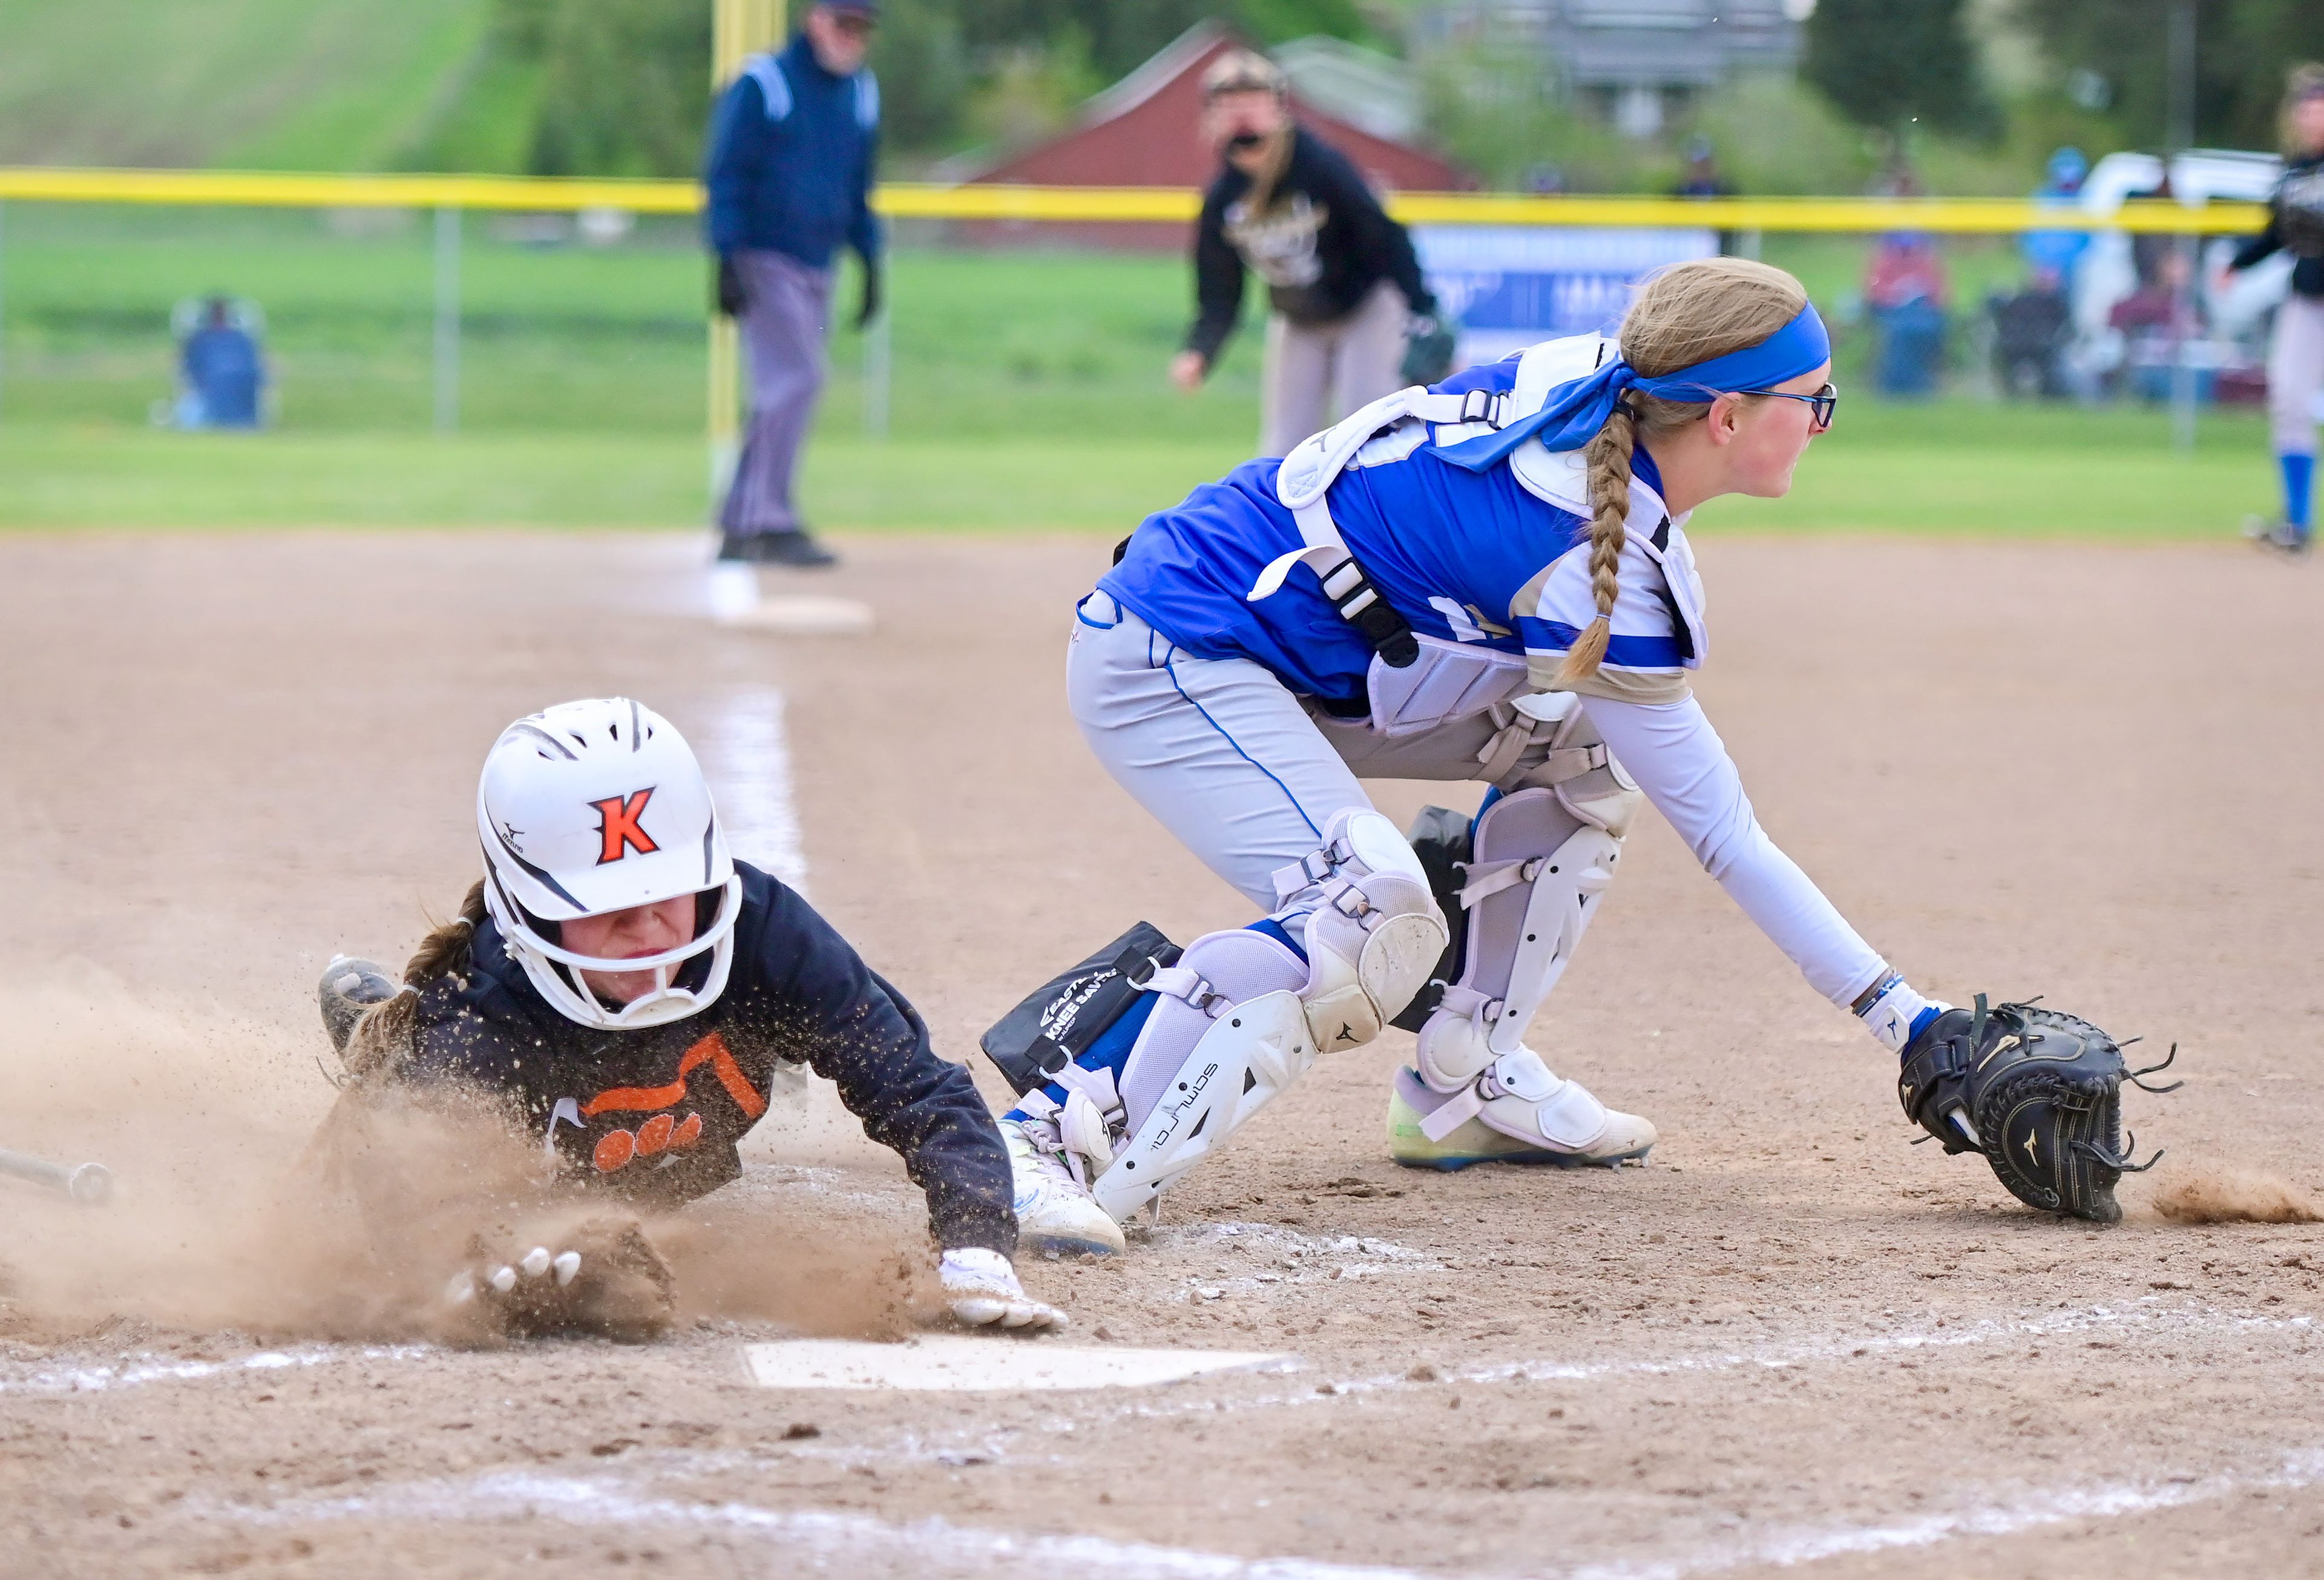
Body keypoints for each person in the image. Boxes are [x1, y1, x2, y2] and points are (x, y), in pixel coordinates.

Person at [990, 258, 2151, 1259]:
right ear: (1730, 418)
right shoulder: (1583, 547)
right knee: (1375, 912)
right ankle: (1043, 1138)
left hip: (1324, 657)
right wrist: (1910, 1021)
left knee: (1590, 757)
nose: (1825, 418)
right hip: (1176, 655)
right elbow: (1730, 839)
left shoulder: (1625, 392)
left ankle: (1461, 1080)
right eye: (1815, 399)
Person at [315, 697, 1060, 1337]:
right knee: (404, 1085)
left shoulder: (766, 931)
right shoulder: (479, 1023)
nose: (647, 935)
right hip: (545, 1134)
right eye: (606, 911)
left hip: (679, 1131)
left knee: (799, 1021)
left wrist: (977, 1246)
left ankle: (379, 1028)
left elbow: (918, 1087)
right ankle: (377, 1032)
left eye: (667, 893)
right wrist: (461, 1277)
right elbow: (410, 1204)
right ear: (527, 911)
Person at [1172, 50, 1444, 461]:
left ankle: (1367, 525)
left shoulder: (1318, 166)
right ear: (1210, 116)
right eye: (1229, 103)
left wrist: (1423, 306)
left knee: (1364, 436)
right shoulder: (1223, 198)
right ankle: (1288, 527)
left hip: (1364, 308)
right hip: (1299, 318)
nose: (1242, 113)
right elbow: (1219, 291)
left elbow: (1384, 233)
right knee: (1284, 451)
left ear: (1278, 108)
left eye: (1254, 100)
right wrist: (1200, 351)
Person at [703, 0, 884, 568]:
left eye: (862, 29)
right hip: (765, 255)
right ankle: (767, 520)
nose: (852, 39)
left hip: (818, 261)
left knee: (786, 387)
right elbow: (726, 171)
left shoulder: (860, 92)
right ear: (815, 20)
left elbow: (857, 186)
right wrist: (726, 256)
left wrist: (870, 260)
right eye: (843, 24)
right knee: (796, 379)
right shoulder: (767, 82)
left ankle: (744, 519)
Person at [2224, 65, 2324, 554]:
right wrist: (2236, 265)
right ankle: (2297, 522)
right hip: (2307, 296)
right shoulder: (2293, 172)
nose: (2314, 118)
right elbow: (2276, 234)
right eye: (2307, 110)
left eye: (2321, 110)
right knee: (2288, 399)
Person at [1862, 231, 1950, 397]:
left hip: (1923, 313)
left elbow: (1941, 293)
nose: (1906, 253)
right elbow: (1873, 292)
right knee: (1900, 333)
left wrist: (1923, 297)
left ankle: (1921, 383)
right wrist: (1896, 295)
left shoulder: (1927, 263)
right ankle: (1896, 383)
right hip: (1892, 314)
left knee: (1925, 331)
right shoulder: (1885, 264)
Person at [176, 296, 266, 429]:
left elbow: (257, 370)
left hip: (241, 397)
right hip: (208, 397)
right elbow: (190, 369)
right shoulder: (200, 340)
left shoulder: (241, 339)